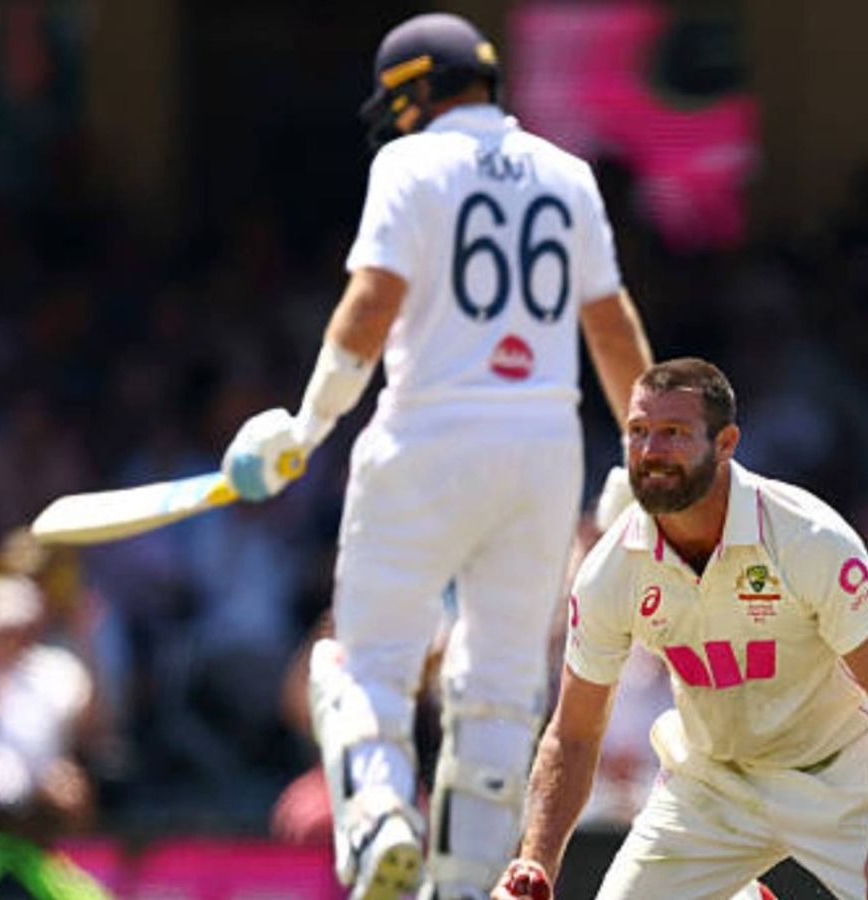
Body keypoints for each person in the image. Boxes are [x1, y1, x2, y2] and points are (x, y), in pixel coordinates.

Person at [220, 13, 652, 900]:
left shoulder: (408, 163)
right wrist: (648, 458)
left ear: (416, 91)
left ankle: (380, 817)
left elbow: (371, 302)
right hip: (543, 447)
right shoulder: (567, 175)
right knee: (498, 689)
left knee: (357, 664)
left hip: (427, 437)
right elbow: (609, 327)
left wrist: (306, 426)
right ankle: (466, 886)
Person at [493, 359, 868, 900]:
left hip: (836, 775)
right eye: (639, 433)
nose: (651, 452)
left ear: (726, 442)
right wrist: (534, 865)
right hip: (712, 783)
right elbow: (573, 733)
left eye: (674, 434)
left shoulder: (807, 535)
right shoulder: (609, 570)